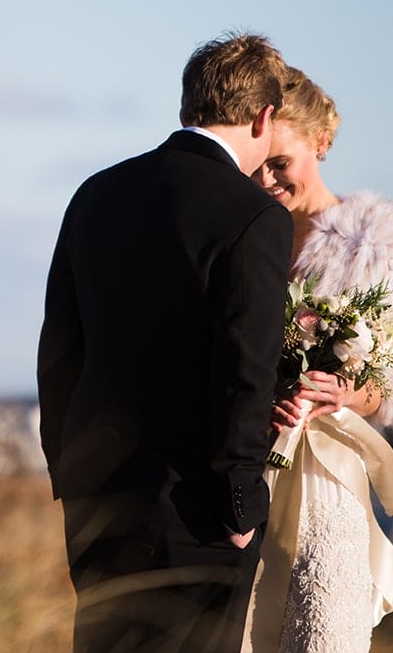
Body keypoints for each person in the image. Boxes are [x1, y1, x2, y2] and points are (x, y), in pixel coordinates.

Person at [37, 33, 295, 652]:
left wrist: (67, 470)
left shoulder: (95, 194)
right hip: (193, 509)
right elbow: (245, 366)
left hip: (96, 497)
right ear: (263, 117)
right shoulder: (255, 217)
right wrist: (239, 501)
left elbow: (60, 350)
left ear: (189, 107)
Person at [241, 68, 393, 653]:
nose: (268, 178)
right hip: (242, 480)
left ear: (320, 143)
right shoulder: (241, 240)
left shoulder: (382, 245)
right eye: (257, 164)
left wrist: (342, 393)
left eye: (282, 161)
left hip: (328, 483)